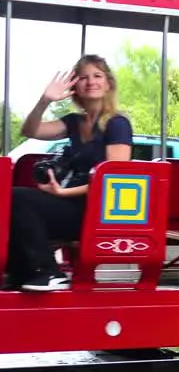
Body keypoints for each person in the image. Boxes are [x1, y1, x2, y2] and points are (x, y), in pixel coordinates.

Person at [6, 56, 133, 292]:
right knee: (11, 200)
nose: (90, 82)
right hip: (73, 203)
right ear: (75, 87)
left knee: (19, 198)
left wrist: (63, 192)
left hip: (97, 210)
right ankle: (21, 274)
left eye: (97, 76)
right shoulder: (74, 122)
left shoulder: (117, 124)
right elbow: (30, 130)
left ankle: (49, 273)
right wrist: (44, 101)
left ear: (108, 84)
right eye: (83, 77)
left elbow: (114, 181)